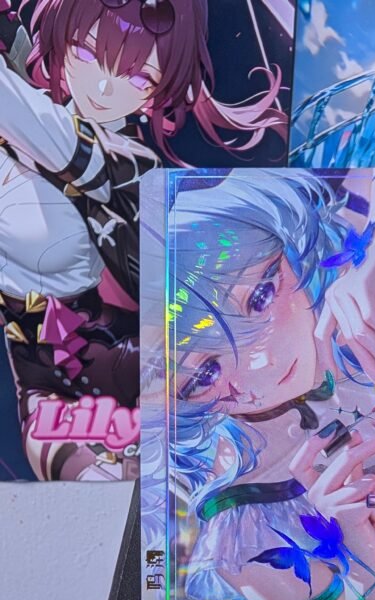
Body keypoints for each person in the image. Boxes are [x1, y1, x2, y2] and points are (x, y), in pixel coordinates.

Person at [0, 0, 285, 479]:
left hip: (148, 370)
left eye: (136, 78)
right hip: (51, 384)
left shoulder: (135, 164)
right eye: (85, 55)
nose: (104, 88)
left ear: (158, 94)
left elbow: (58, 140)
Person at [147, 168, 375, 600]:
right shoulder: (242, 535)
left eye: (260, 297)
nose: (262, 365)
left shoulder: (331, 291)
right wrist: (360, 548)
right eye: (204, 374)